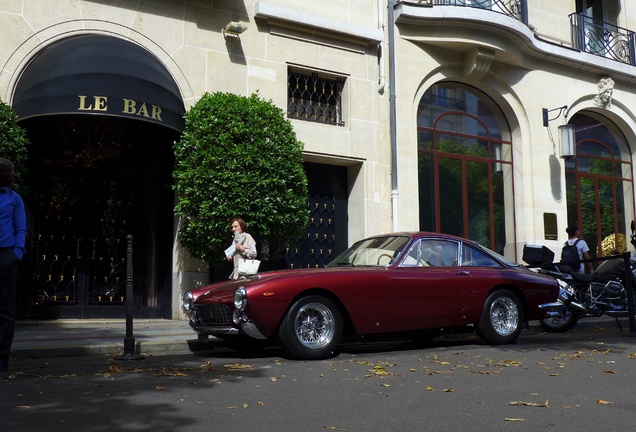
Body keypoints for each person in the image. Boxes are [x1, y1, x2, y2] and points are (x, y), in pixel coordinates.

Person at [0, 158, 27, 373]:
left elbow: (21, 228)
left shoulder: (14, 198)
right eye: (11, 171)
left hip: (5, 257)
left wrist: (16, 254)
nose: (14, 176)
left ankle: (2, 359)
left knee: (6, 310)